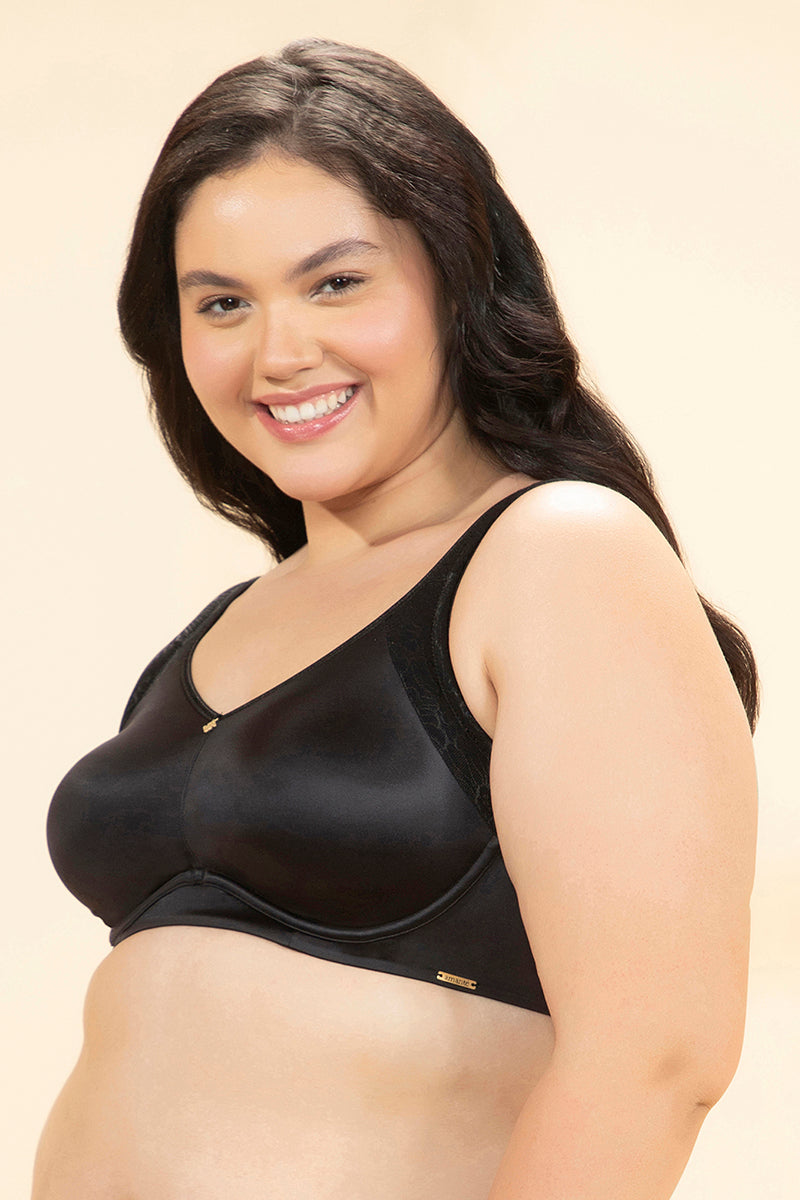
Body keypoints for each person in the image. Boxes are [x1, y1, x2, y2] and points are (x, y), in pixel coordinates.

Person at [34, 38, 759, 1200]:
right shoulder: (222, 630)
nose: (279, 352)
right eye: (222, 303)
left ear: (457, 281)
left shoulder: (557, 553)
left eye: (335, 283)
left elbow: (653, 1060)